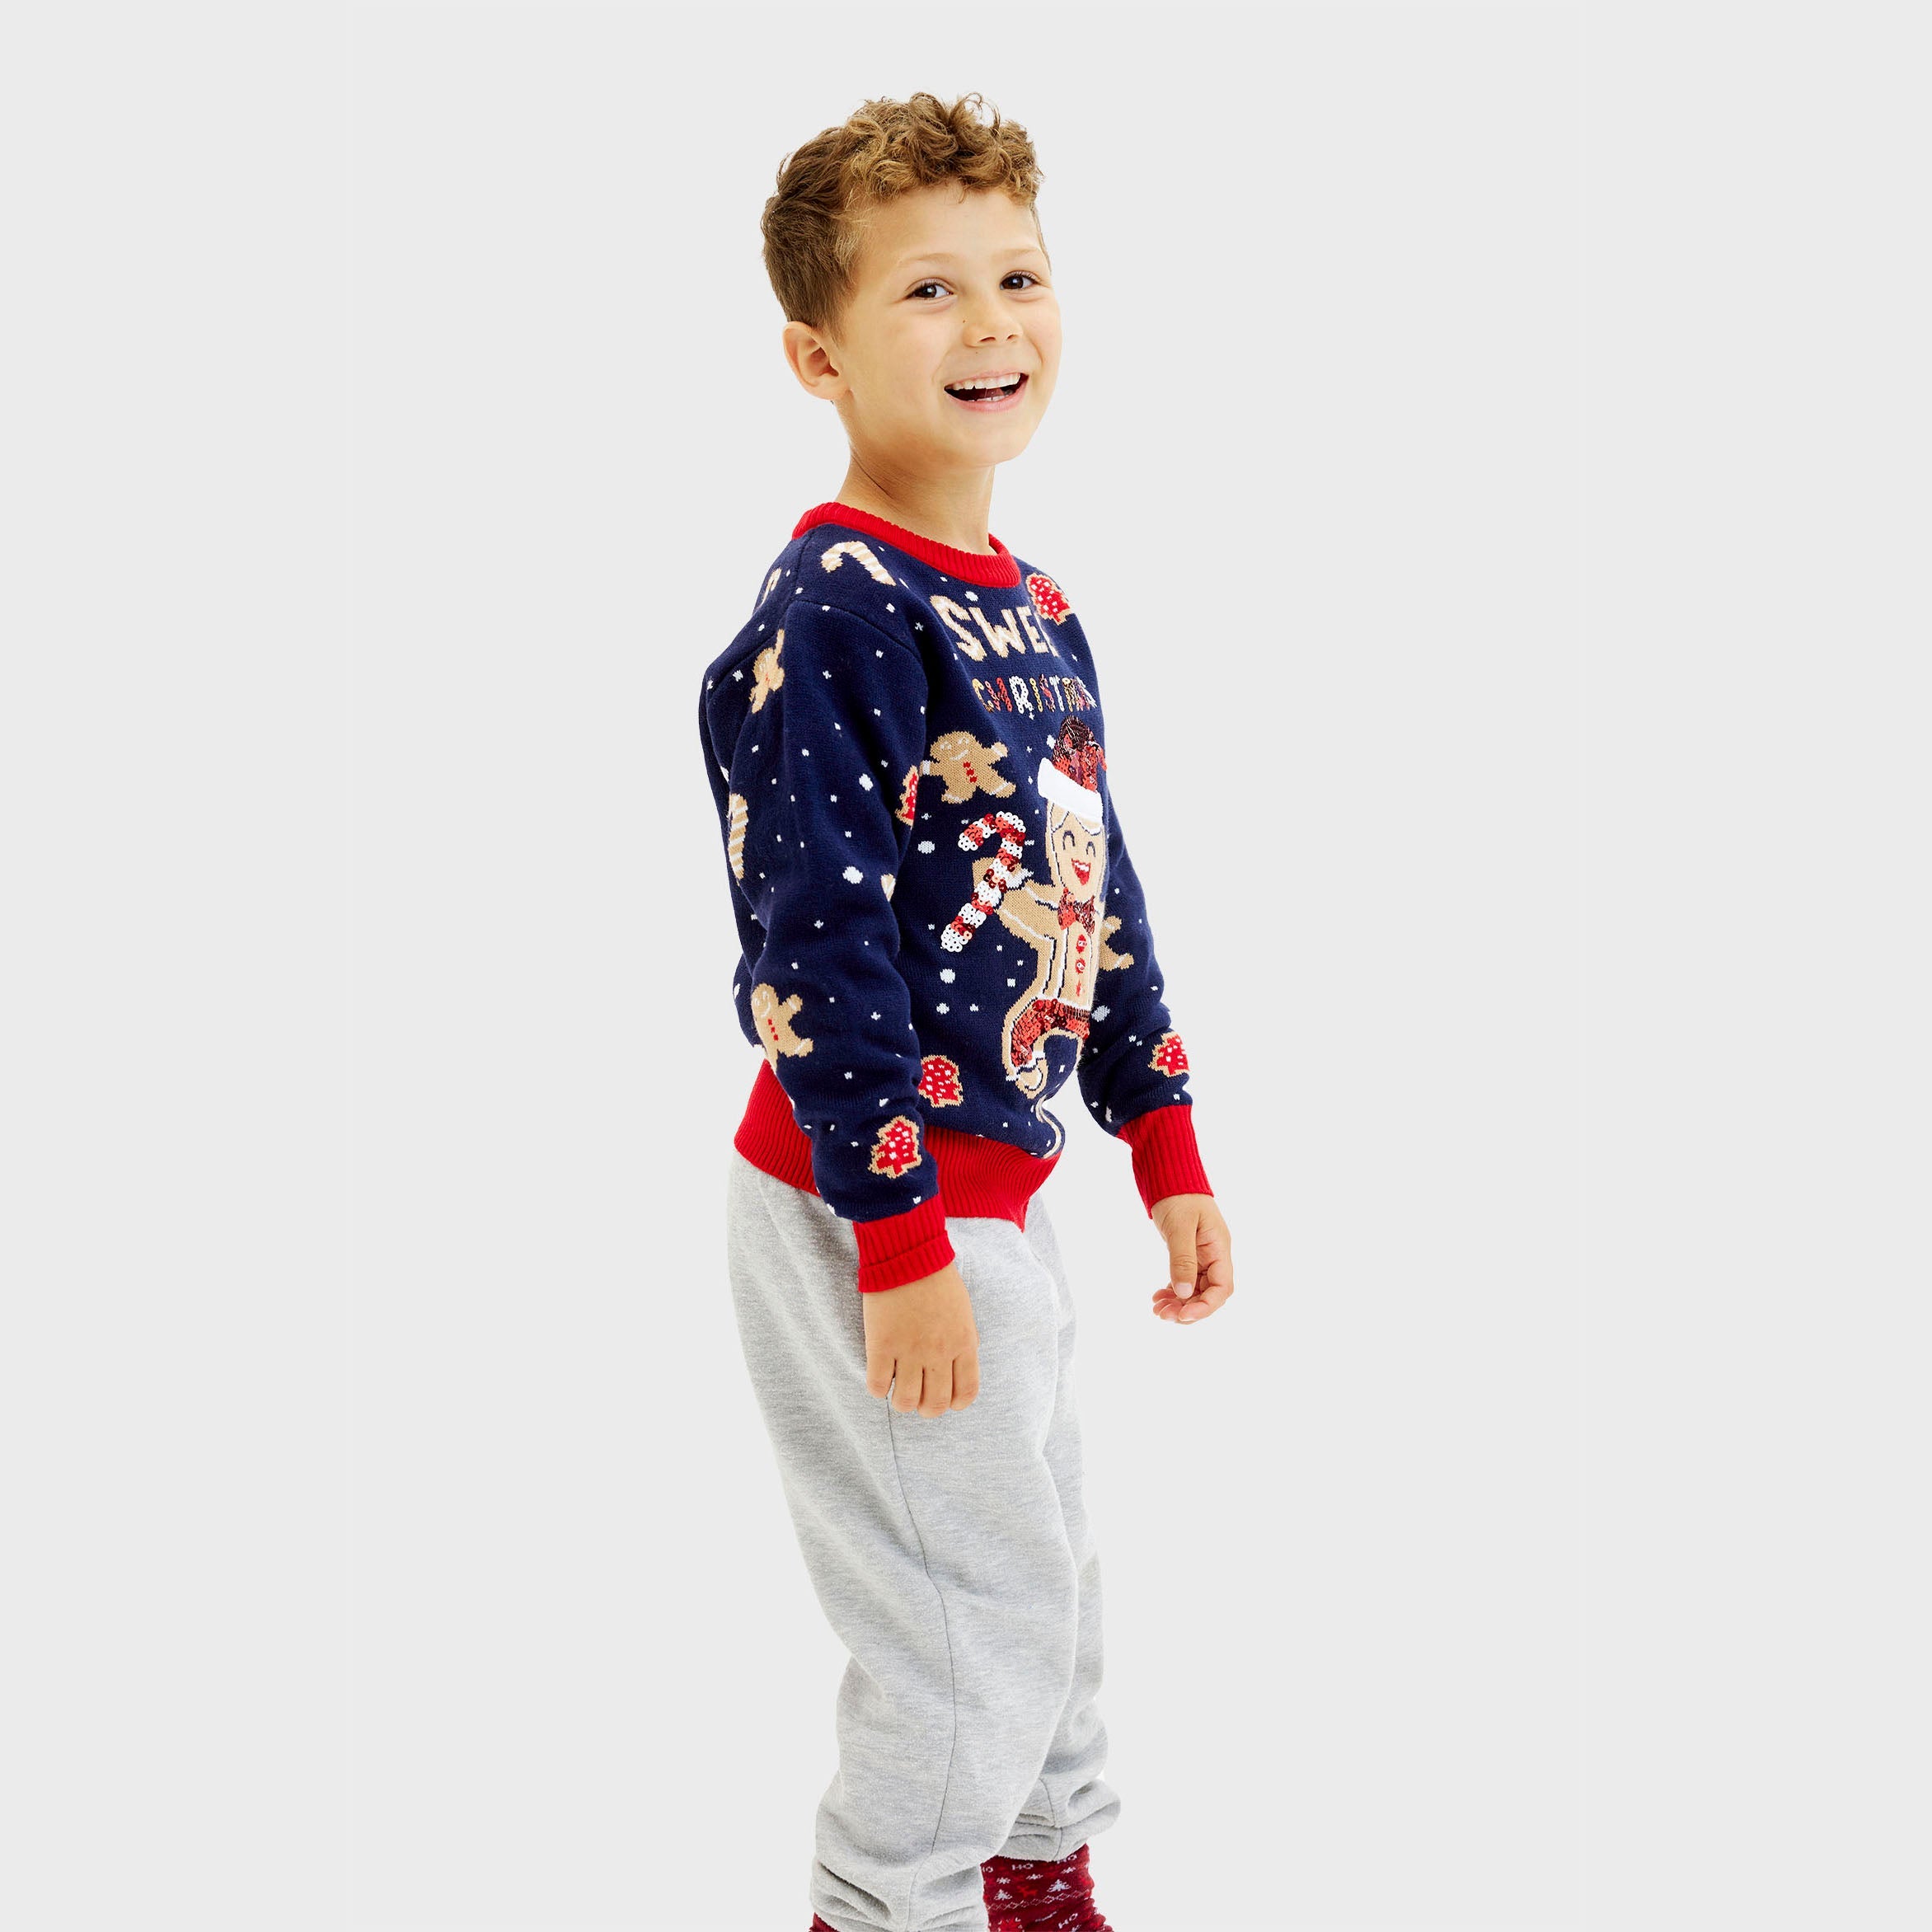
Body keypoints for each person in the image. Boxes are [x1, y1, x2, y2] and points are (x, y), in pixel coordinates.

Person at [695, 91, 1236, 1932]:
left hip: (993, 1195)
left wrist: (1162, 1133)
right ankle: (886, 1905)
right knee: (957, 1614)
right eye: (928, 289)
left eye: (1018, 274)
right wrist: (898, 1231)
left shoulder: (1034, 603)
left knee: (1042, 1581)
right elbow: (816, 943)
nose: (991, 321)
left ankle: (1032, 1880)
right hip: (874, 1196)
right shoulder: (836, 606)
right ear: (820, 356)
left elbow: (1093, 883)